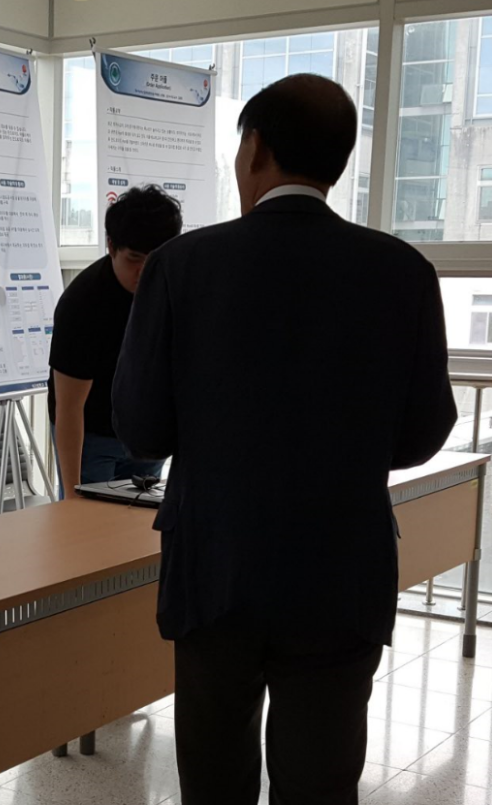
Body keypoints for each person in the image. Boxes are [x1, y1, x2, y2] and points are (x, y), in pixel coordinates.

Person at [113, 75, 457, 805]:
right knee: (321, 780)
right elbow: (425, 430)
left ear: (256, 149)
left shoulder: (181, 265)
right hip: (342, 569)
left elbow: (141, 429)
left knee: (214, 777)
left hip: (213, 566)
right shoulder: (402, 271)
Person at [49, 185, 182, 499]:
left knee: (139, 523)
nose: (144, 271)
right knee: (87, 523)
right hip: (91, 436)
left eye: (155, 259)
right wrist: (72, 494)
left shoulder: (175, 288)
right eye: (134, 258)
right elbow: (69, 408)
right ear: (111, 245)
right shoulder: (82, 304)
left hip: (147, 435)